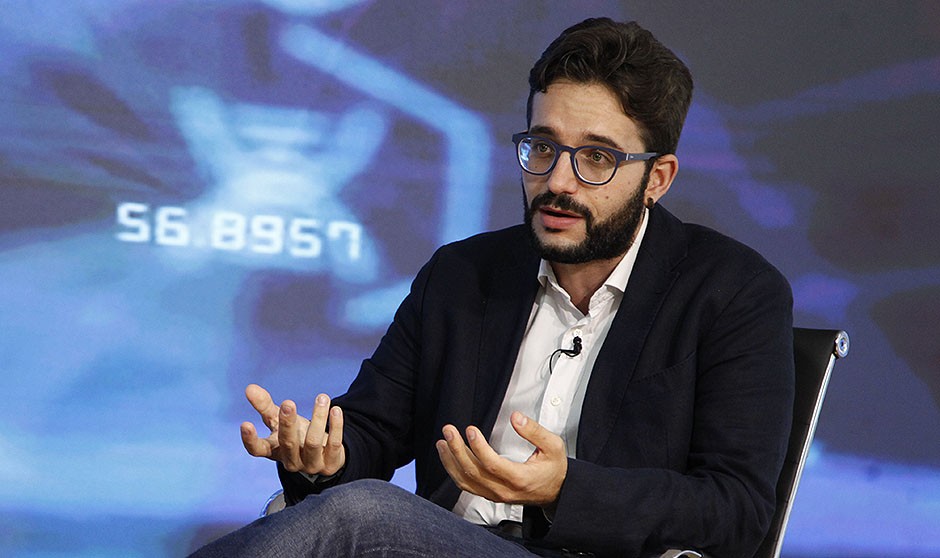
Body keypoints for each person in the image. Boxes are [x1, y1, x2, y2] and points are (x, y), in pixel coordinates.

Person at [191, 17, 794, 558]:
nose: (558, 181)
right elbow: (375, 429)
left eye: (597, 158)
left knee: (362, 517)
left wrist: (564, 489)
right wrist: (324, 456)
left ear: (657, 178)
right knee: (330, 513)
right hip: (442, 542)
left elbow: (736, 510)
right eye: (543, 147)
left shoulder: (731, 292)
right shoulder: (463, 274)